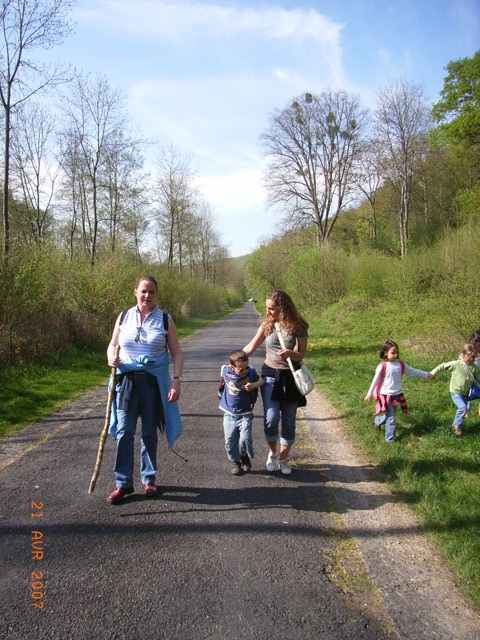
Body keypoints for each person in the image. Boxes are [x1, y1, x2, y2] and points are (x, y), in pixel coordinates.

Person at [106, 275, 184, 504]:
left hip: (153, 383)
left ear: (156, 294)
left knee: (149, 433)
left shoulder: (165, 319)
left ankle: (148, 479)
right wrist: (111, 356)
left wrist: (176, 380)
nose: (147, 296)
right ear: (135, 292)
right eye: (143, 291)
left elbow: (177, 353)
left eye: (151, 292)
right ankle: (122, 483)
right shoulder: (123, 317)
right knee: (124, 432)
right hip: (126, 382)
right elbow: (113, 345)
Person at [243, 290, 309, 475]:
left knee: (288, 422)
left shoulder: (299, 327)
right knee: (271, 419)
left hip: (291, 377)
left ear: (283, 307)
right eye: (267, 308)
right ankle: (273, 452)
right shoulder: (267, 325)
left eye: (272, 308)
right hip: (270, 375)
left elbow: (301, 354)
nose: (269, 312)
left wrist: (290, 354)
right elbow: (251, 346)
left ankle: (283, 459)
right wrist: (234, 361)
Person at [364, 340, 433, 443]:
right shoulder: (382, 366)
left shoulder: (401, 364)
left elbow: (413, 371)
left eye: (397, 353)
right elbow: (375, 380)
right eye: (393, 353)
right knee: (391, 419)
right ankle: (389, 441)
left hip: (397, 395)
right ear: (385, 353)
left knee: (390, 415)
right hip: (385, 395)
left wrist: (427, 374)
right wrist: (369, 394)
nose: (395, 355)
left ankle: (378, 420)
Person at [218, 350, 264, 476]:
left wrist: (253, 385)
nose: (244, 371)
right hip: (229, 414)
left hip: (245, 413)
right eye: (241, 369)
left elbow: (262, 381)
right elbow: (222, 368)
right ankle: (235, 461)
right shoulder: (226, 371)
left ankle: (244, 456)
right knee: (229, 441)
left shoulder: (251, 371)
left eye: (246, 367)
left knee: (245, 439)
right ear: (232, 367)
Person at [430, 343, 480, 437]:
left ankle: (458, 424)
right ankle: (456, 426)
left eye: (474, 357)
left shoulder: (475, 368)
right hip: (455, 392)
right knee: (463, 408)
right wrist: (433, 372)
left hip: (466, 393)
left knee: (465, 410)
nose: (472, 359)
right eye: (469, 357)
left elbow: (478, 379)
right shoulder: (456, 364)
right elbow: (443, 366)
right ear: (463, 354)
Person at [468, 330, 480, 417]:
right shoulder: (469, 349)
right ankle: (466, 410)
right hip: (470, 374)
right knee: (468, 393)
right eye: (478, 341)